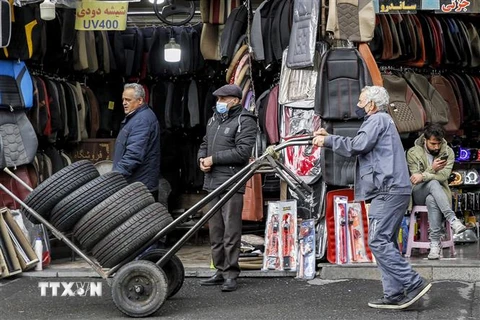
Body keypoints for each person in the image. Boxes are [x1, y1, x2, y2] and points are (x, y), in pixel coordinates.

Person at [312, 86, 431, 310]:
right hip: (391, 189)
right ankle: (394, 293)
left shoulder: (377, 120)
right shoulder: (382, 121)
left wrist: (327, 142)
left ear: (372, 105)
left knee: (377, 241)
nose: (358, 106)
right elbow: (361, 143)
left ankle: (413, 282)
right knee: (386, 242)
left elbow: (357, 146)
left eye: (361, 101)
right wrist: (330, 137)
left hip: (388, 190)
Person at [197, 84, 256, 292]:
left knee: (231, 231)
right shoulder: (214, 119)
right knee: (216, 231)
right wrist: (201, 159)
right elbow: (204, 143)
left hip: (232, 183)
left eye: (224, 99)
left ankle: (231, 274)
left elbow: (242, 152)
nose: (219, 103)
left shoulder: (245, 121)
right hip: (212, 182)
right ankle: (220, 270)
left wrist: (213, 159)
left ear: (236, 101)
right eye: (218, 99)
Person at [406, 123, 466, 260]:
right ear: (425, 140)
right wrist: (432, 169)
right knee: (432, 182)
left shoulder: (447, 152)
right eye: (433, 144)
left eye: (438, 143)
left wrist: (425, 175)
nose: (436, 147)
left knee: (431, 199)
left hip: (439, 194)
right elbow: (416, 179)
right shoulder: (413, 153)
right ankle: (452, 219)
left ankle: (434, 245)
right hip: (418, 192)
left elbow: (444, 176)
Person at [112, 83, 161, 200]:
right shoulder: (136, 117)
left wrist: (114, 178)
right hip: (137, 185)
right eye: (123, 99)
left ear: (140, 100)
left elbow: (133, 155)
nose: (124, 103)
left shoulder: (142, 120)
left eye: (128, 100)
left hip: (139, 188)